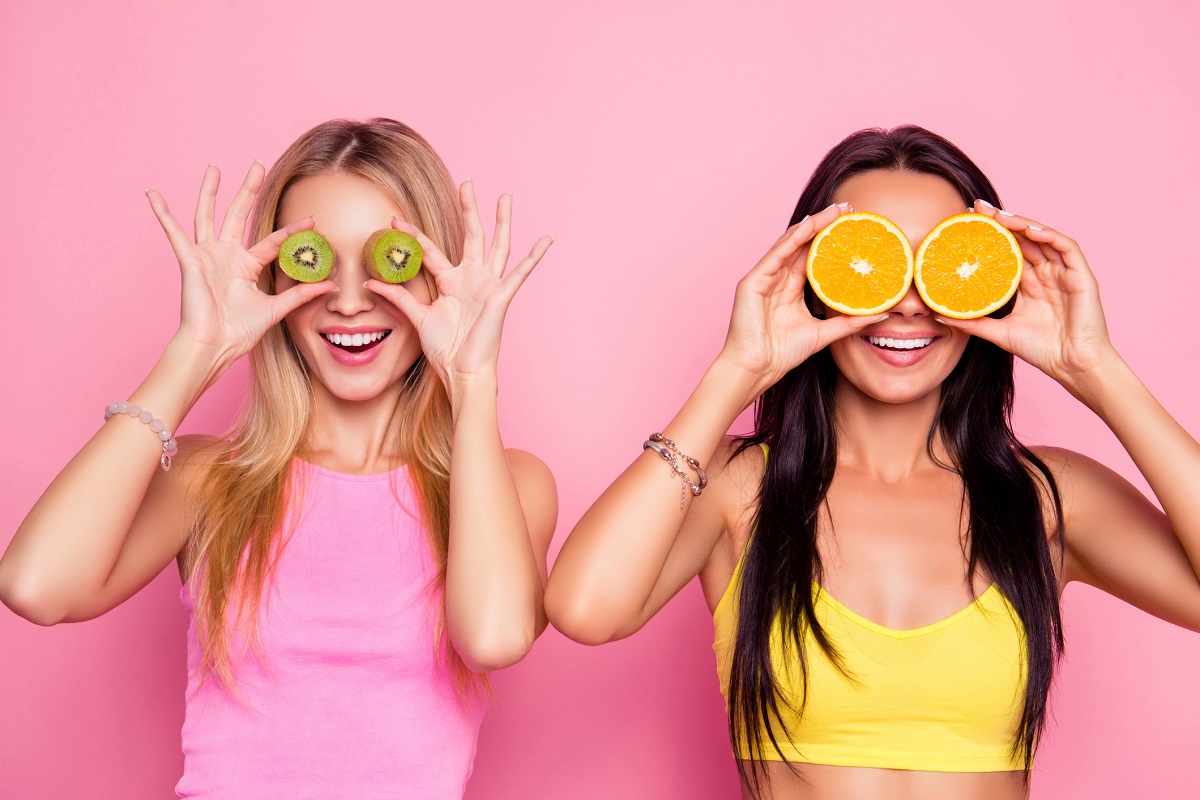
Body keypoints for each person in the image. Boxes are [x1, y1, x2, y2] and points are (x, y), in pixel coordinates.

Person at [545, 126, 1200, 799]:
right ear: (810, 280)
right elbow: (584, 608)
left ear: (986, 281)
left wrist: (1097, 369)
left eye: (937, 265)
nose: (909, 300)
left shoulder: (1049, 500)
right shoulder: (739, 489)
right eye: (872, 261)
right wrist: (737, 369)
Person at [0, 118, 557, 799]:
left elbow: (495, 638)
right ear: (272, 280)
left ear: (437, 278)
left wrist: (471, 384)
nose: (350, 301)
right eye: (314, 259)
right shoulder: (211, 480)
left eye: (390, 260)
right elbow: (34, 585)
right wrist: (195, 350)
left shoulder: (510, 486)